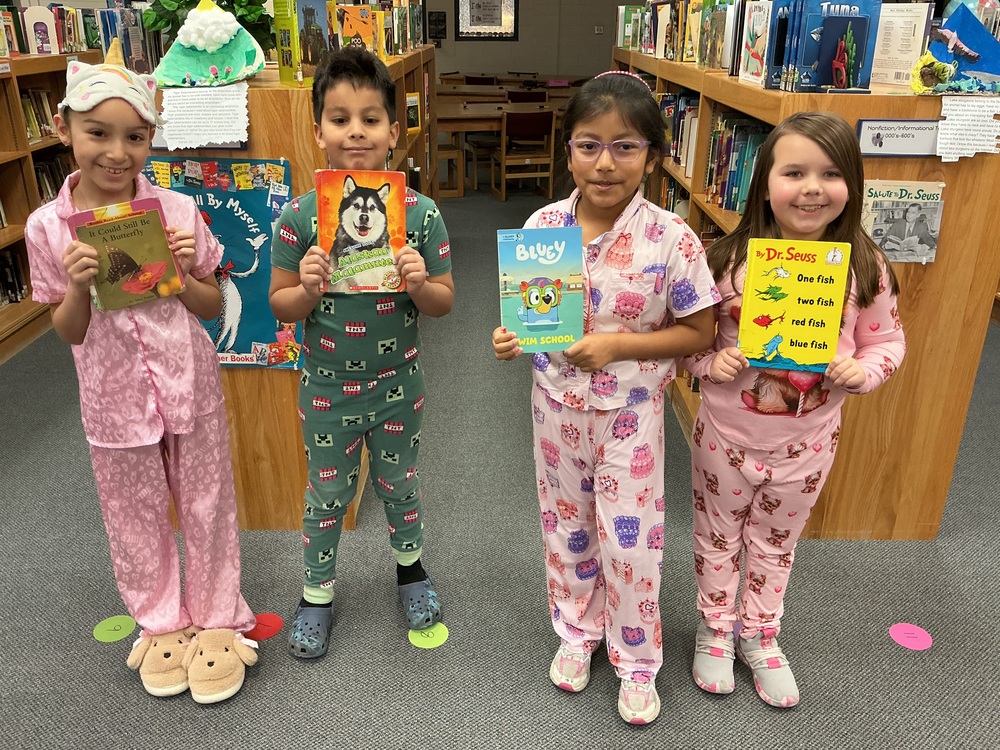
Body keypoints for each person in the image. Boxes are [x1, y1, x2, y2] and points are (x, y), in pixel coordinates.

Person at [24, 60, 257, 703]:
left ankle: (216, 620)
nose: (117, 153)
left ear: (152, 139)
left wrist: (186, 279)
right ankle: (160, 624)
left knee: (209, 503)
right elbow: (68, 331)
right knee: (132, 515)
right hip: (112, 398)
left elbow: (213, 308)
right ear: (63, 128)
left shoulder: (177, 209)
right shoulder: (47, 226)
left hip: (191, 384)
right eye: (98, 133)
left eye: (135, 137)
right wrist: (77, 283)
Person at [492, 71, 718, 725]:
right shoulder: (543, 226)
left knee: (632, 541)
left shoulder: (672, 238)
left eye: (626, 146)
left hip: (631, 415)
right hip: (555, 409)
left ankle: (637, 658)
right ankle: (576, 631)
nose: (605, 162)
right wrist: (510, 339)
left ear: (653, 153)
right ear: (568, 150)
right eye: (589, 144)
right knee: (565, 527)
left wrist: (619, 347)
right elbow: (532, 316)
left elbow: (699, 330)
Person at [681, 111, 906, 708]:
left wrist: (865, 371)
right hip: (724, 436)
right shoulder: (726, 261)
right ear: (764, 183)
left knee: (777, 542)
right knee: (716, 537)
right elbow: (687, 343)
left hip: (806, 445)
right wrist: (709, 365)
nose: (812, 188)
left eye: (831, 173)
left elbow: (888, 340)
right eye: (795, 172)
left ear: (852, 185)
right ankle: (714, 627)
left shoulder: (865, 266)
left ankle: (759, 633)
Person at [269, 46, 454, 659]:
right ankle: (316, 592)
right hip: (324, 388)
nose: (356, 131)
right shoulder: (298, 220)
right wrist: (307, 286)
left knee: (402, 484)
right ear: (317, 128)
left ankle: (411, 572)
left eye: (371, 119)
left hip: (398, 383)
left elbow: (445, 304)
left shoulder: (421, 216)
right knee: (327, 495)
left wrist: (421, 282)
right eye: (340, 118)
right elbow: (279, 307)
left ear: (395, 131)